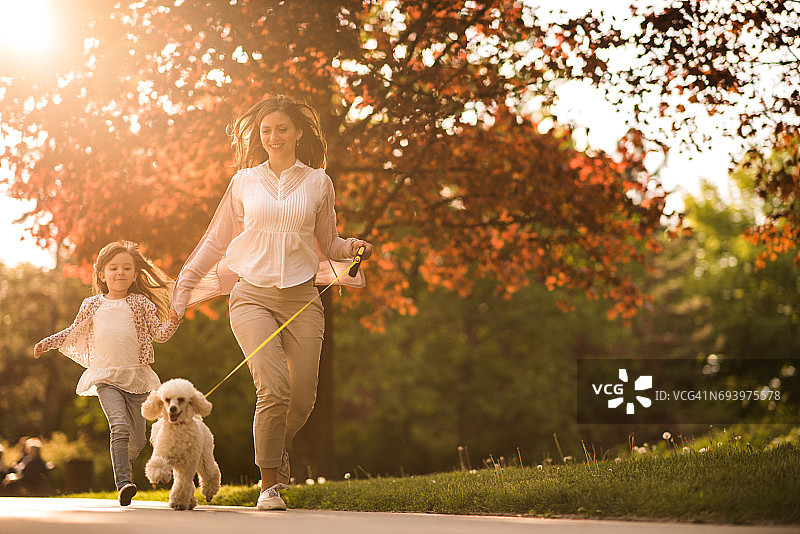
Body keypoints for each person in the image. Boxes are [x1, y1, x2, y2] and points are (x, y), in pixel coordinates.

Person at [171, 95, 373, 511]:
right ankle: (270, 485)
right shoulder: (243, 181)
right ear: (258, 135)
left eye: (282, 129)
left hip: (301, 297)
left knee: (302, 399)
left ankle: (276, 452)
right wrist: (185, 284)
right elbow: (216, 239)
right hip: (251, 297)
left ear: (299, 132)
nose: (274, 137)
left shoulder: (319, 182)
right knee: (274, 388)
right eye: (266, 130)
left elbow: (328, 242)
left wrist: (352, 246)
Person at [34, 240, 180, 505]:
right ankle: (124, 483)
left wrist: (173, 322)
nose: (120, 273)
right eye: (113, 268)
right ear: (102, 274)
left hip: (137, 377)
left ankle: (126, 460)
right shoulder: (91, 305)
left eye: (127, 268)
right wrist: (48, 342)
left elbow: (159, 335)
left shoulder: (140, 303)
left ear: (135, 274)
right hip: (105, 377)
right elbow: (73, 331)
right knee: (119, 426)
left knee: (138, 439)